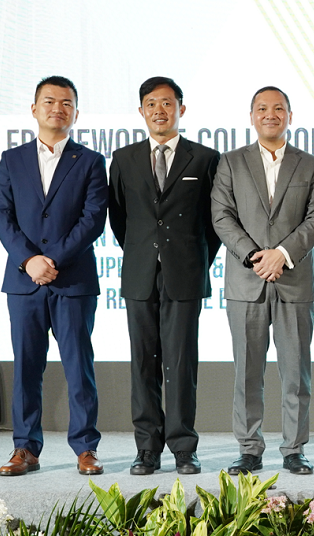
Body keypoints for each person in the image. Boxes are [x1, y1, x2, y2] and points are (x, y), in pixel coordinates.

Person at [0, 76, 107, 476]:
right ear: (34, 109)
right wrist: (29, 260)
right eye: (50, 101)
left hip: (73, 281)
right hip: (24, 283)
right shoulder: (12, 159)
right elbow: (1, 214)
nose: (58, 108)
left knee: (79, 368)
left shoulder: (90, 161)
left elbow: (93, 219)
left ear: (76, 113)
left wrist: (51, 259)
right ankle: (25, 448)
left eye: (66, 103)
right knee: (26, 368)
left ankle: (86, 448)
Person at [211, 86, 314, 476]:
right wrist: (254, 255)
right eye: (262, 108)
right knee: (247, 373)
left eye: (278, 108)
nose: (270, 114)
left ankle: (294, 449)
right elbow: (222, 216)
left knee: (296, 373)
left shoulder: (310, 165)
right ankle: (249, 449)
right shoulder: (231, 162)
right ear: (252, 116)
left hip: (294, 282)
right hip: (246, 282)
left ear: (289, 116)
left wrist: (283, 253)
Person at [108, 76, 221, 475]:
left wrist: (194, 259)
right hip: (139, 274)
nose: (160, 110)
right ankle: (147, 448)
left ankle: (184, 447)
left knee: (181, 363)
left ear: (181, 109)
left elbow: (214, 222)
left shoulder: (204, 158)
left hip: (185, 274)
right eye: (152, 104)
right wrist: (144, 253)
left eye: (167, 103)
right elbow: (119, 218)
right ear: (142, 111)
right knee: (142, 363)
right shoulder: (123, 159)